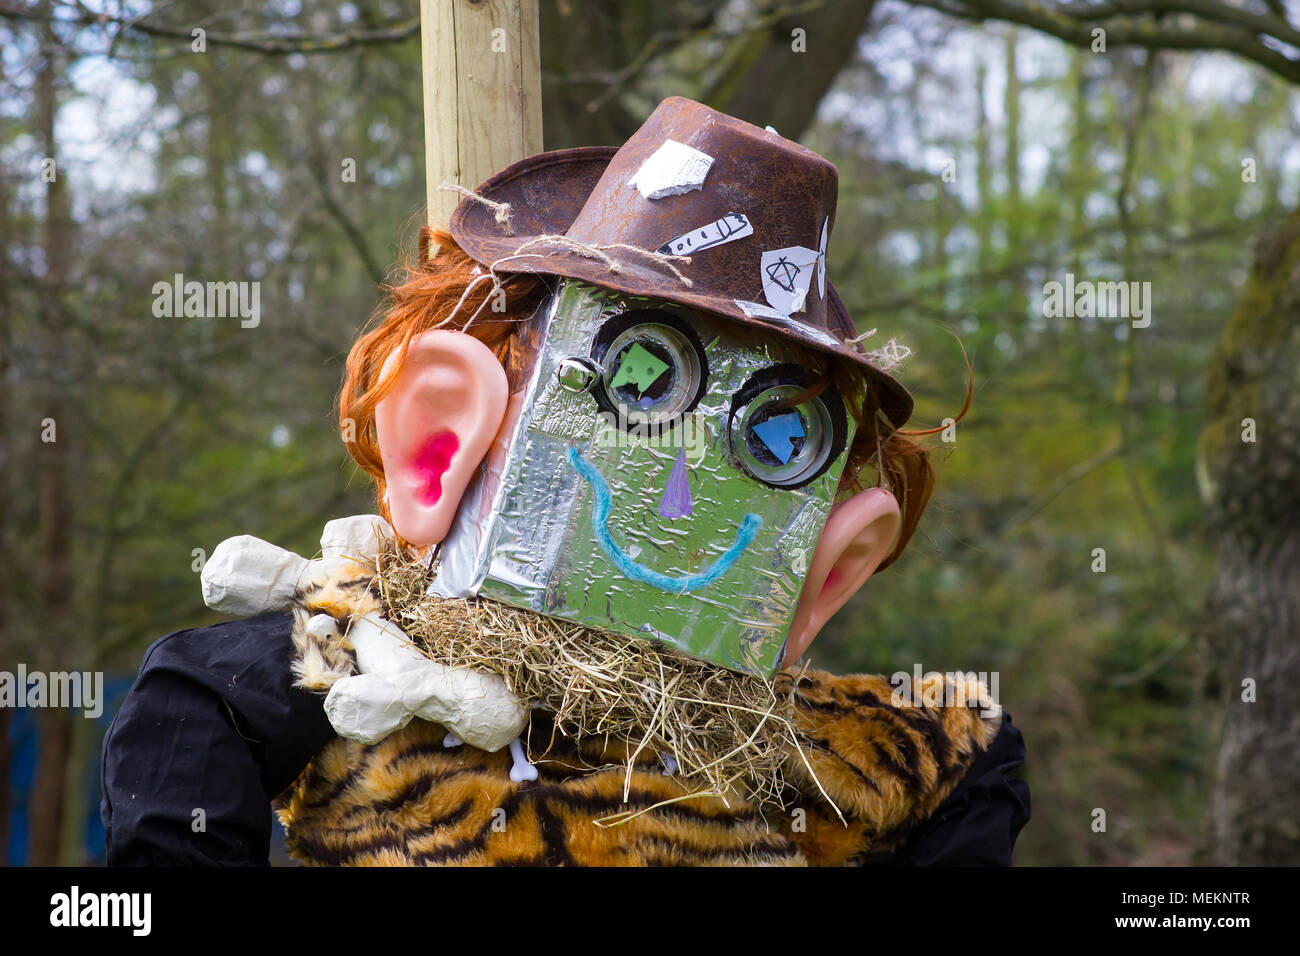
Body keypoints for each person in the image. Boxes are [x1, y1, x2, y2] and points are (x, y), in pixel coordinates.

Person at [103, 98, 1029, 866]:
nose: (676, 495)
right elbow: (199, 700)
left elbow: (969, 762)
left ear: (833, 564)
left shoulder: (819, 756)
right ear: (442, 434)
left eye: (778, 435)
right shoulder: (374, 670)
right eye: (636, 382)